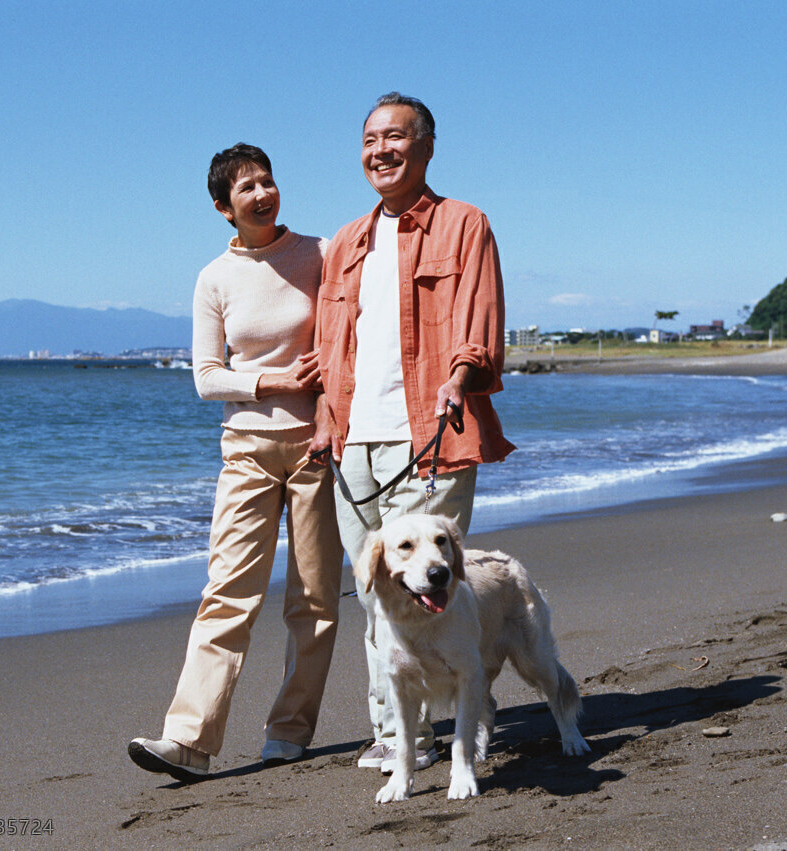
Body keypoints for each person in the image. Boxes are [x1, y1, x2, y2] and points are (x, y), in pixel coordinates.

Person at [311, 93, 515, 773]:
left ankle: (454, 722)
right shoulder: (345, 242)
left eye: (395, 138)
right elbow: (329, 349)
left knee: (434, 587)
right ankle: (399, 733)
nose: (380, 151)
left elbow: (478, 320)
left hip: (431, 435)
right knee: (376, 594)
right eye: (369, 140)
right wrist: (323, 422)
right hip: (352, 445)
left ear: (425, 147)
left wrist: (462, 375)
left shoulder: (464, 224)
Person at [129, 144, 344, 781]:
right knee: (226, 595)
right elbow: (205, 378)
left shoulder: (322, 254)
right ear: (224, 208)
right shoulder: (213, 278)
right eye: (246, 188)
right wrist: (272, 383)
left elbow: (348, 331)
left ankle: (290, 731)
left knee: (315, 599)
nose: (262, 193)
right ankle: (188, 741)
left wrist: (327, 378)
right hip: (246, 451)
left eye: (267, 180)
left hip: (316, 445)